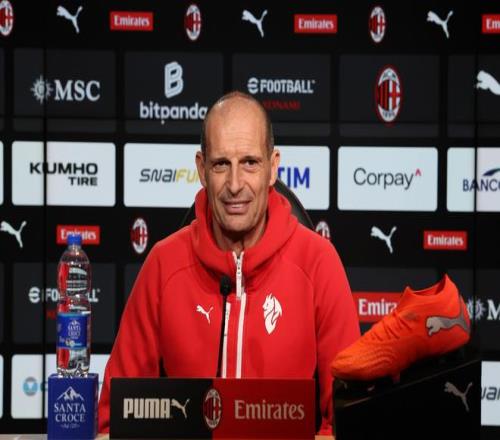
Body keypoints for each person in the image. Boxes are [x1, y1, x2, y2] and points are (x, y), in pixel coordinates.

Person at [97, 91, 360, 434]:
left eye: (250, 162)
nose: (235, 185)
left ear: (273, 167)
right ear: (201, 169)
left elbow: (347, 421)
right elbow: (114, 420)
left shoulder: (318, 263)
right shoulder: (163, 265)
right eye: (221, 164)